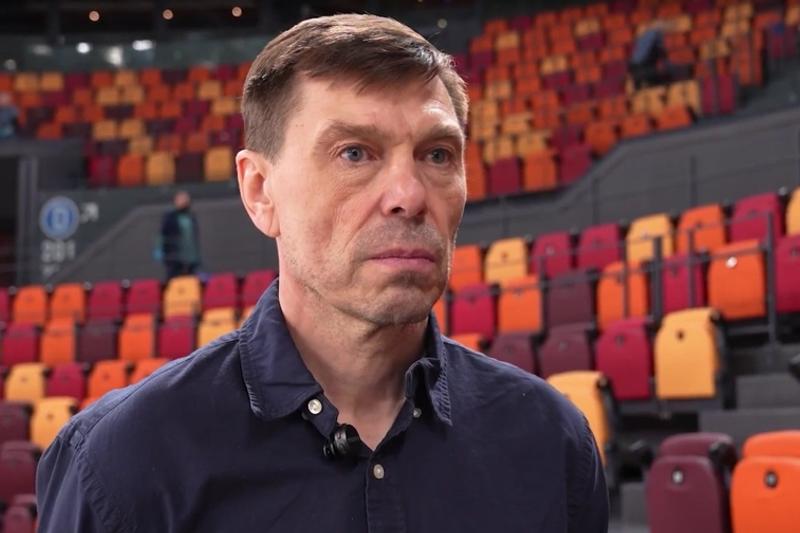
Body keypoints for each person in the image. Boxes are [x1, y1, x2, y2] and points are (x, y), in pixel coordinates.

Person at [36, 14, 608, 532]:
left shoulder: (551, 443)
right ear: (260, 192)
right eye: (354, 153)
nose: (409, 195)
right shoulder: (122, 461)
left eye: (437, 155)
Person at [158, 190, 201, 280]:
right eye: (181, 199)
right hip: (175, 259)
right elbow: (163, 236)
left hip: (191, 258)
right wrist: (164, 255)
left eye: (186, 199)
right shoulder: (170, 218)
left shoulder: (191, 217)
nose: (184, 202)